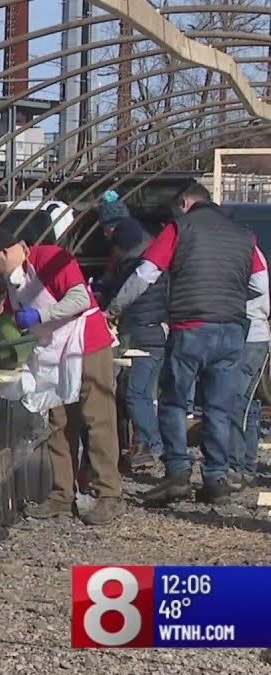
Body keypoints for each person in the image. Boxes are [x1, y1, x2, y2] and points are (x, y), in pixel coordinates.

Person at [108, 183, 261, 504]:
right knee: (219, 407)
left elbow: (145, 274)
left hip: (190, 326)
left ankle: (177, 473)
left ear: (185, 201)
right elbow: (260, 283)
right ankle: (216, 478)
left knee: (174, 402)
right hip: (232, 329)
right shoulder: (243, 235)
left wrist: (114, 308)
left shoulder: (179, 228)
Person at [0, 227, 123, 524]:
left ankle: (108, 494)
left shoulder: (51, 258)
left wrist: (41, 316)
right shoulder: (16, 283)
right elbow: (5, 321)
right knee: (60, 423)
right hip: (55, 354)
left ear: (4, 253)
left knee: (97, 419)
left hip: (86, 344)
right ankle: (62, 494)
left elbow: (79, 299)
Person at [95, 191, 168, 471]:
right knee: (145, 391)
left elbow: (129, 285)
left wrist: (109, 308)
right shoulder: (145, 246)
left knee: (135, 392)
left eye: (106, 230)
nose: (106, 237)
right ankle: (151, 444)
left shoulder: (132, 251)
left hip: (142, 328)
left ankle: (150, 444)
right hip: (154, 327)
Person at [230, 244, 269, 487]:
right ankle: (246, 463)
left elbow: (260, 286)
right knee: (248, 405)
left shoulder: (246, 251)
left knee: (236, 402)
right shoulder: (250, 251)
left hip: (250, 335)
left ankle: (238, 465)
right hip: (254, 335)